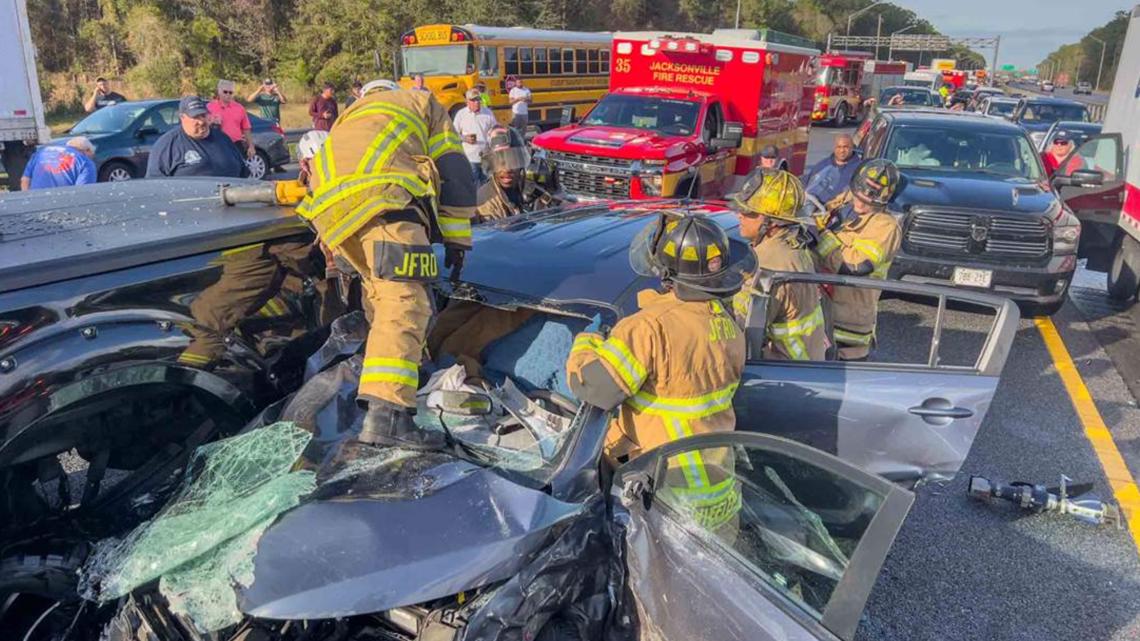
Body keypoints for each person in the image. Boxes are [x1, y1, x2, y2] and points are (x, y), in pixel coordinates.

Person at [295, 78, 475, 449]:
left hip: (331, 214)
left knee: (380, 297)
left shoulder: (350, 115)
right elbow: (454, 171)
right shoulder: (421, 102)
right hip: (383, 200)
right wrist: (457, 239)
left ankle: (393, 385)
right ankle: (388, 415)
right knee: (405, 301)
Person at [566, 213, 745, 531]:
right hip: (719, 496)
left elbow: (592, 388)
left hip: (667, 500)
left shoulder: (648, 328)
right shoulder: (728, 325)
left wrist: (586, 342)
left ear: (665, 273)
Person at [730, 170, 826, 361]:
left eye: (749, 212)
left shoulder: (765, 267)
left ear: (772, 222)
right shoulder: (794, 245)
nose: (739, 215)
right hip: (808, 363)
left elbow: (741, 332)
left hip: (784, 369)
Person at [813, 159, 903, 361]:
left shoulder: (885, 227)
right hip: (821, 312)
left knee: (843, 373)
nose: (860, 204)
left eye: (869, 202)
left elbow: (856, 265)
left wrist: (823, 235)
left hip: (849, 323)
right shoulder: (845, 203)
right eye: (857, 196)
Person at [146, 96, 250, 178]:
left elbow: (244, 173)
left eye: (203, 115)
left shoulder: (223, 138)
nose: (201, 121)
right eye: (195, 117)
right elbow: (155, 185)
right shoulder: (167, 145)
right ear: (182, 117)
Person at [475, 126, 531, 221]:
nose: (507, 169)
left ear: (521, 161)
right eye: (500, 162)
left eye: (512, 161)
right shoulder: (482, 201)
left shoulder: (532, 190)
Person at [452, 88, 498, 183]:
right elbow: (453, 133)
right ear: (467, 101)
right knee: (472, 184)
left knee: (486, 185)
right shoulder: (461, 114)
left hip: (486, 156)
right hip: (470, 157)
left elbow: (495, 130)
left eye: (478, 99)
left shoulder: (488, 113)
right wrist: (464, 138)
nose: (476, 102)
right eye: (473, 100)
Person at [802, 134, 859, 209]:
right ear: (834, 148)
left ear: (852, 147)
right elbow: (806, 184)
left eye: (845, 147)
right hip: (813, 207)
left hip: (840, 210)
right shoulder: (822, 165)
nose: (842, 150)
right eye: (839, 147)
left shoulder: (859, 169)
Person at [20, 137, 97, 190]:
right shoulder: (85, 162)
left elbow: (25, 180)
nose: (91, 158)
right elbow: (83, 192)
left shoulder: (40, 153)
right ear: (87, 150)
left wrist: (29, 199)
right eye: (92, 154)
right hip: (63, 203)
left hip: (37, 201)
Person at [207, 79, 255, 160]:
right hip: (217, 145)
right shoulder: (209, 107)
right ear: (219, 91)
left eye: (230, 92)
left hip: (236, 145)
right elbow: (203, 126)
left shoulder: (239, 108)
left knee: (239, 166)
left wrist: (251, 146)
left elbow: (246, 128)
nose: (228, 94)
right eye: (225, 92)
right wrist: (211, 122)